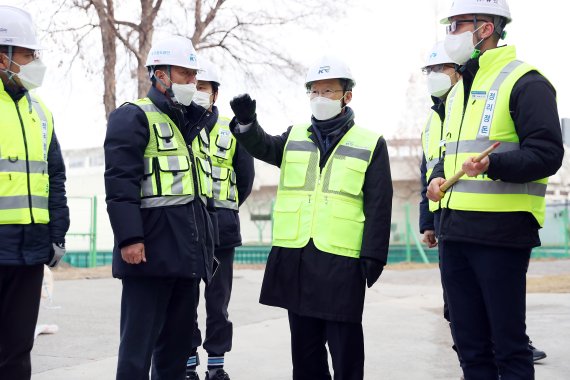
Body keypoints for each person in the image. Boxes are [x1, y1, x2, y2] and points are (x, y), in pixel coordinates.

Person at [228, 56, 393, 379]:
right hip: (299, 257)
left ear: (347, 96)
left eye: (329, 91)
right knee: (304, 351)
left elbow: (379, 203)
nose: (320, 98)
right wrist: (247, 124)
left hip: (342, 260)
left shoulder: (370, 142)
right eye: (314, 91)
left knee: (345, 349)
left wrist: (374, 256)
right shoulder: (295, 135)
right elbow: (263, 146)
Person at [427, 0, 563, 378]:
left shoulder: (526, 81)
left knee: (508, 347)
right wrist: (436, 178)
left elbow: (548, 153)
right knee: (470, 348)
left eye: (456, 26)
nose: (449, 35)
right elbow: (450, 153)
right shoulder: (456, 93)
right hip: (454, 233)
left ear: (484, 28)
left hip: (501, 235)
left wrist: (495, 164)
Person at [104, 35, 216, 380]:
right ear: (160, 74)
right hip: (148, 256)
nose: (192, 83)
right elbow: (120, 183)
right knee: (137, 351)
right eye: (185, 74)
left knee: (176, 352)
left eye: (194, 76)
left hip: (186, 258)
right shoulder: (133, 116)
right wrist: (129, 239)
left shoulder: (190, 123)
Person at [0, 6, 69, 380]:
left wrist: (57, 233)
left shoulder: (40, 111)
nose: (35, 62)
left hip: (29, 250)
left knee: (18, 349)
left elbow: (54, 175)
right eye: (28, 55)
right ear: (3, 56)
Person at [186, 60, 254, 380]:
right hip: (186, 228)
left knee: (218, 302)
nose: (198, 92)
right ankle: (187, 364)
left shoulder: (232, 128)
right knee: (184, 300)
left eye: (204, 87)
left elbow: (246, 178)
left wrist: (224, 209)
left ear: (215, 93)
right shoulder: (179, 125)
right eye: (194, 86)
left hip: (222, 230)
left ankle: (216, 366)